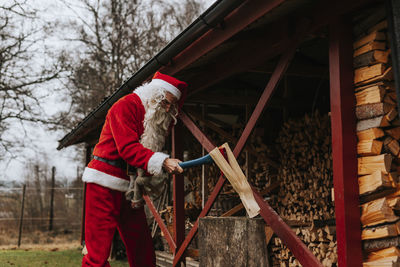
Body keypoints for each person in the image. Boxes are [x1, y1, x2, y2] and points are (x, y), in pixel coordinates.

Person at [81, 72, 187, 267]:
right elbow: (128, 148)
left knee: (142, 248)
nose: (167, 108)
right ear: (156, 94)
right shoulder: (125, 105)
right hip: (103, 182)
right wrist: (163, 162)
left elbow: (144, 155)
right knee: (98, 252)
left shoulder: (151, 117)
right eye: (166, 102)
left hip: (129, 188)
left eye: (171, 106)